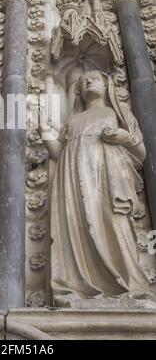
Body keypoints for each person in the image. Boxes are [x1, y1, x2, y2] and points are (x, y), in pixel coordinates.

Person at [40, 71, 152, 307]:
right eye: (82, 81)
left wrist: (124, 137)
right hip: (71, 180)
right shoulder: (72, 120)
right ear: (77, 90)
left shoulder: (117, 113)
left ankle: (129, 285)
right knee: (75, 226)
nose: (87, 81)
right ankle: (78, 287)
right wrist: (44, 133)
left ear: (107, 86)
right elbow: (59, 154)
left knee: (114, 225)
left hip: (108, 179)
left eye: (94, 78)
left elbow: (140, 153)